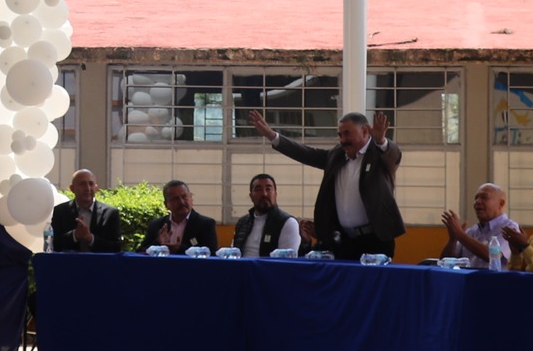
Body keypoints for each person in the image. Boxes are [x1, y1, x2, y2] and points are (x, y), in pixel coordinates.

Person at [249, 109, 401, 261]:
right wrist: (271, 135)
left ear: (365, 131)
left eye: (347, 133)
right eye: (340, 135)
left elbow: (393, 156)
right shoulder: (337, 155)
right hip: (344, 240)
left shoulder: (379, 155)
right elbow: (306, 153)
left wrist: (381, 141)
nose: (343, 140)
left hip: (375, 240)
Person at [439, 183, 524, 269]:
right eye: (476, 198)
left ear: (501, 203)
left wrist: (460, 234)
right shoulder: (471, 232)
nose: (478, 201)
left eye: (484, 197)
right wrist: (453, 240)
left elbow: (493, 256)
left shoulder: (510, 228)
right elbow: (444, 262)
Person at [232, 173, 303, 259]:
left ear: (275, 194)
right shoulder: (242, 223)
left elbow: (287, 263)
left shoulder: (288, 223)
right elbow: (234, 253)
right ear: (251, 196)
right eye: (258, 189)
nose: (264, 194)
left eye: (268, 189)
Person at [50, 169, 122, 253]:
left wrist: (91, 238)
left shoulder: (110, 213)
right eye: (82, 184)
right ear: (72, 188)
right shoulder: (60, 211)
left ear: (96, 188)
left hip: (99, 264)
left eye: (91, 184)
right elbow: (53, 244)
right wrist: (75, 235)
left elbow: (116, 247)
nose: (87, 188)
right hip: (70, 264)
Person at [141, 181, 217, 253]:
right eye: (175, 199)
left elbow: (212, 254)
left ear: (191, 198)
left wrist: (180, 249)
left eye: (184, 196)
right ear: (166, 204)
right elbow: (140, 252)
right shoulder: (157, 225)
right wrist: (158, 243)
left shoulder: (205, 224)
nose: (181, 202)